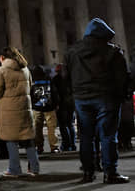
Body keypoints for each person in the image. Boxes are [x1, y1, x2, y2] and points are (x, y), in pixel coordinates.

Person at [65, 18, 130, 184]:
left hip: (81, 98)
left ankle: (88, 172)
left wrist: (73, 95)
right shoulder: (113, 52)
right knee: (108, 135)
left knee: (86, 137)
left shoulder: (72, 52)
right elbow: (122, 78)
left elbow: (67, 77)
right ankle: (110, 173)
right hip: (106, 97)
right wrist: (121, 96)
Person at [0, 47, 39, 177]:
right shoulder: (25, 70)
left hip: (9, 111)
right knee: (28, 139)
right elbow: (30, 87)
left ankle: (14, 169)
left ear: (2, 58)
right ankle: (34, 168)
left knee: (11, 140)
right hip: (25, 109)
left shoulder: (0, 71)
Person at [31, 65, 60, 154]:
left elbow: (30, 94)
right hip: (49, 107)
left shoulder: (32, 81)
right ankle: (54, 147)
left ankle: (39, 147)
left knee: (37, 128)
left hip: (36, 107)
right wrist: (56, 104)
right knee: (51, 128)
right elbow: (54, 92)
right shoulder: (49, 79)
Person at [52, 64, 76, 152]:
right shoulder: (71, 79)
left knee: (63, 125)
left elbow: (55, 93)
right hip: (71, 104)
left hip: (61, 105)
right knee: (70, 124)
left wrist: (56, 104)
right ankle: (73, 145)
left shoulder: (56, 79)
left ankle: (66, 145)